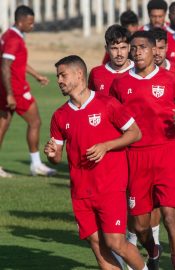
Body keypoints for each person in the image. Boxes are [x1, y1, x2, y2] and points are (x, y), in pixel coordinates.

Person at [45, 55, 146, 270]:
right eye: (57, 77)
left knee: (115, 242)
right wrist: (51, 154)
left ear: (79, 74)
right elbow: (56, 158)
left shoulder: (107, 103)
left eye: (63, 75)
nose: (59, 80)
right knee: (98, 246)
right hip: (81, 191)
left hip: (110, 187)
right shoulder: (59, 116)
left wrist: (106, 146)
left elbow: (135, 133)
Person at [110, 30, 175, 270]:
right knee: (139, 225)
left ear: (153, 51)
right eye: (133, 48)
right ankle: (153, 250)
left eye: (142, 47)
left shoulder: (171, 79)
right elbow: (113, 119)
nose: (137, 52)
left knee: (171, 216)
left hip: (169, 154)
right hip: (136, 156)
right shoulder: (121, 83)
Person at [0, 5, 56, 177]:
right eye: (30, 23)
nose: (32, 26)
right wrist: (10, 93)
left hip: (5, 87)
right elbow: (4, 67)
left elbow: (17, 63)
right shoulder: (14, 40)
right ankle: (36, 164)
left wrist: (36, 75)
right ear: (21, 21)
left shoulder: (8, 35)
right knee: (35, 122)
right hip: (15, 89)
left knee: (3, 125)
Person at [90, 25, 135, 95]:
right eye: (114, 48)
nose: (119, 53)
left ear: (129, 47)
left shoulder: (139, 71)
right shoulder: (96, 73)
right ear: (107, 49)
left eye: (123, 48)